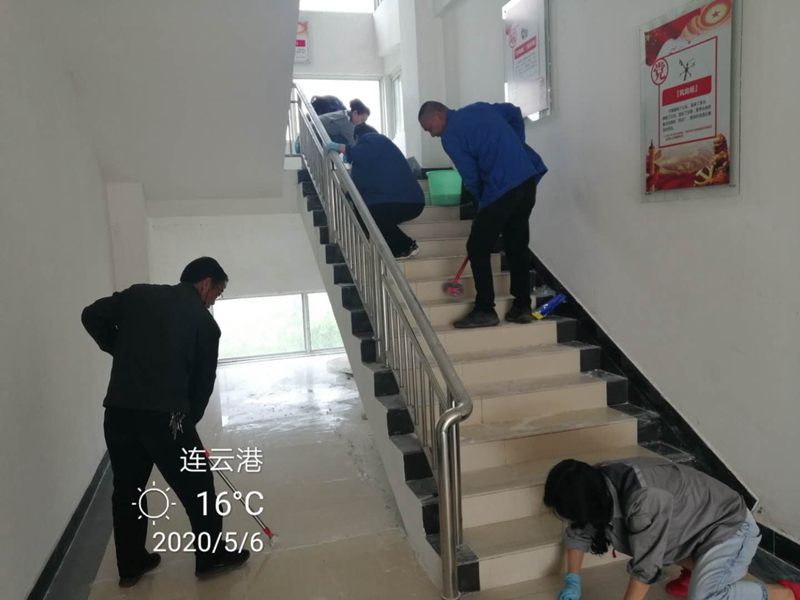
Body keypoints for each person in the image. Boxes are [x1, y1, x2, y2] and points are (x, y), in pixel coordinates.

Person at [81, 257, 250, 587]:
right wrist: (188, 422)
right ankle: (211, 557)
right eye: (217, 293)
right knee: (199, 486)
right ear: (205, 284)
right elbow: (201, 387)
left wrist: (119, 349)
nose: (214, 301)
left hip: (118, 413)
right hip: (167, 419)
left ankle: (131, 564)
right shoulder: (205, 325)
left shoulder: (139, 295)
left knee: (128, 489)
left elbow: (91, 315)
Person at [543, 457, 800, 600]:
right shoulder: (596, 483)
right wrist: (573, 580)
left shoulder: (643, 498)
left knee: (706, 597)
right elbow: (579, 529)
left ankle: (786, 593)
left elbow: (647, 564)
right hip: (696, 525)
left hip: (729, 526)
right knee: (644, 535)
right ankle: (695, 569)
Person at [418, 100, 547, 329]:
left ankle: (485, 309)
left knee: (477, 247)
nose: (432, 135)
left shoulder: (450, 135)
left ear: (438, 114)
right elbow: (514, 112)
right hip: (526, 179)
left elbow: (470, 175)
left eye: (429, 129)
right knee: (517, 243)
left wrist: (482, 202)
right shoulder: (479, 108)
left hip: (502, 187)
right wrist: (518, 146)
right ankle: (522, 306)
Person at [325, 123, 424, 259]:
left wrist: (343, 148)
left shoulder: (372, 138)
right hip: (403, 199)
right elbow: (361, 183)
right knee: (366, 213)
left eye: (356, 143)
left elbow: (363, 153)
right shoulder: (375, 157)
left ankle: (406, 246)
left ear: (357, 137)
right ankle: (393, 249)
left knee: (371, 214)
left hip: (405, 199)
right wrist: (349, 196)